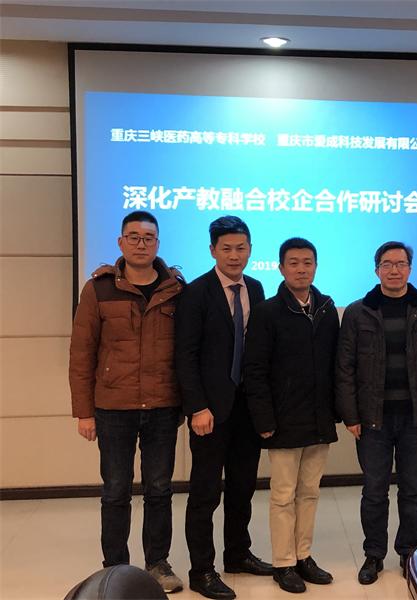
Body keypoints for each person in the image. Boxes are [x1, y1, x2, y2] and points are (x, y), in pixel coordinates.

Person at [68, 210, 184, 593]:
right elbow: (81, 353)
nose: (140, 243)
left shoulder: (175, 289)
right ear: (121, 242)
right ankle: (115, 567)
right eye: (133, 237)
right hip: (113, 407)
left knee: (159, 489)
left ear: (158, 244)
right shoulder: (98, 289)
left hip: (163, 405)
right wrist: (84, 412)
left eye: (148, 237)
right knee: (116, 490)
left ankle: (157, 564)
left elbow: (188, 351)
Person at [336, 241, 417, 584]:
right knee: (374, 490)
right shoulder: (358, 312)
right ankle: (374, 554)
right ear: (377, 270)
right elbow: (345, 368)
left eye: (401, 264)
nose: (394, 270)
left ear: (410, 269)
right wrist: (350, 415)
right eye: (387, 264)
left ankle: (408, 550)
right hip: (373, 419)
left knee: (413, 488)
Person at [175, 216, 272, 600]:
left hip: (247, 408)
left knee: (242, 488)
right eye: (227, 248)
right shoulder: (196, 292)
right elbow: (185, 355)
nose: (234, 255)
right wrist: (197, 407)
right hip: (210, 412)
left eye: (241, 248)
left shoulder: (257, 288)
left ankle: (237, 554)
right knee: (204, 493)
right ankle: (202, 570)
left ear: (250, 250)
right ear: (213, 250)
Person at [243, 238, 339, 594]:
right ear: (281, 268)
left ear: (316, 266)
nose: (301, 269)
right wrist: (264, 420)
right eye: (294, 263)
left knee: (309, 492)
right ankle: (283, 563)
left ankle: (303, 556)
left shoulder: (327, 308)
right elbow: (255, 370)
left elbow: (335, 365)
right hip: (282, 420)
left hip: (319, 418)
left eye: (307, 262)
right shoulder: (267, 312)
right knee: (283, 495)